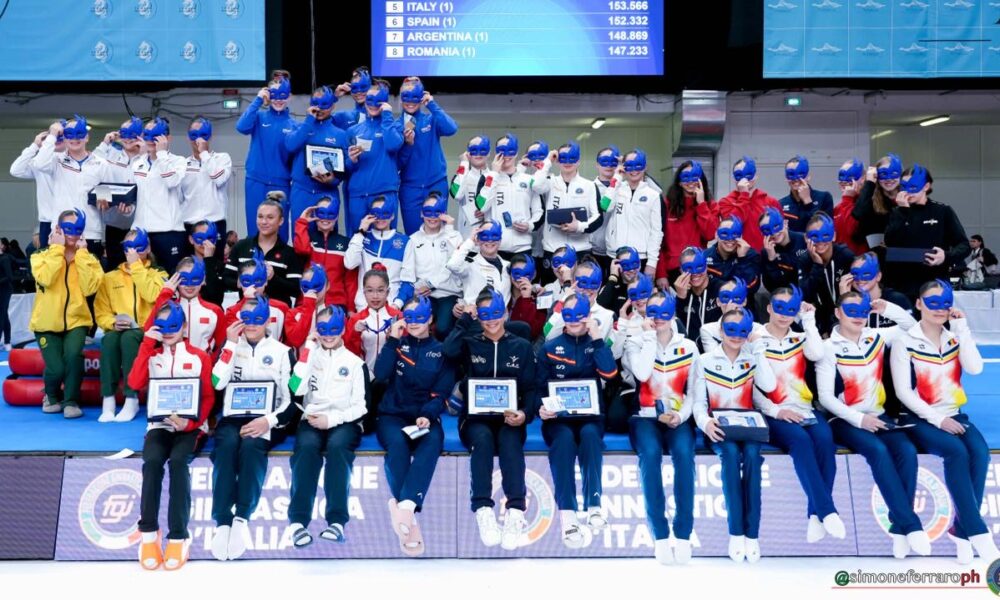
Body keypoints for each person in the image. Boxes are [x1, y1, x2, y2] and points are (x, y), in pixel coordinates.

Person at [890, 280, 1000, 563]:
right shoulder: (905, 342)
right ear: (918, 304)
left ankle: (961, 530)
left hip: (955, 413)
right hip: (917, 418)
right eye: (932, 302)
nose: (940, 309)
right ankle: (977, 532)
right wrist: (938, 420)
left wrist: (963, 330)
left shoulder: (954, 338)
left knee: (979, 451)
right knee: (956, 451)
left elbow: (975, 368)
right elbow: (903, 392)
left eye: (945, 303)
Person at [816, 290, 930, 559]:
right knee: (877, 451)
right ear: (838, 313)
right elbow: (825, 398)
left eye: (862, 311)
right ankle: (912, 525)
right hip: (843, 419)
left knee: (907, 451)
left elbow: (914, 328)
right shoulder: (827, 349)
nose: (858, 317)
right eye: (851, 311)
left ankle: (899, 528)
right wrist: (859, 419)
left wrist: (886, 308)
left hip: (879, 417)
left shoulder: (876, 338)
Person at [443, 288, 537, 551]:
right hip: (475, 418)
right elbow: (448, 351)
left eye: (496, 314)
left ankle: (516, 510)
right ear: (478, 317)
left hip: (510, 417)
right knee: (483, 440)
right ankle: (483, 508)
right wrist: (465, 320)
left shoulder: (522, 346)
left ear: (505, 313)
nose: (491, 321)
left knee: (510, 443)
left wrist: (525, 414)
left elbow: (531, 389)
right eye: (485, 316)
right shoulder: (470, 341)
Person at [752, 286, 845, 543]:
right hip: (770, 411)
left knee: (825, 441)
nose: (783, 315)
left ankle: (815, 514)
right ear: (769, 308)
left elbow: (816, 353)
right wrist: (776, 410)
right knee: (801, 442)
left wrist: (809, 321)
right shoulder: (754, 337)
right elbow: (752, 385)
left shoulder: (800, 338)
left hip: (805, 409)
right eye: (778, 308)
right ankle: (827, 510)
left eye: (790, 309)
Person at [127, 301, 215, 570]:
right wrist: (145, 345)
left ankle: (178, 536)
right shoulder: (151, 355)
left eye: (173, 329)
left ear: (184, 328)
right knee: (152, 462)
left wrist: (190, 424)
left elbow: (209, 397)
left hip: (190, 427)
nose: (167, 334)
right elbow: (133, 383)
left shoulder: (199, 356)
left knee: (178, 463)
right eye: (162, 329)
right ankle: (149, 535)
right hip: (158, 426)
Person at [209, 297, 293, 560]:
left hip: (269, 417)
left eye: (259, 320)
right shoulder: (231, 346)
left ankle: (242, 518)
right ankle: (223, 521)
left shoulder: (282, 351)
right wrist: (230, 345)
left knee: (252, 446)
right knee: (226, 447)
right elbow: (216, 383)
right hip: (233, 416)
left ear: (268, 321)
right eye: (247, 320)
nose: (252, 326)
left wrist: (268, 421)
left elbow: (292, 401)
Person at [374, 297, 455, 556]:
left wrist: (428, 415)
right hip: (392, 414)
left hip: (424, 416)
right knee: (396, 446)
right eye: (409, 320)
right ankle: (409, 515)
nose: (414, 325)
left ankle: (404, 508)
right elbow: (381, 374)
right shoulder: (398, 344)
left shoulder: (442, 351)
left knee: (432, 442)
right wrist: (392, 340)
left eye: (420, 319)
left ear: (430, 319)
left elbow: (441, 392)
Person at [536, 293, 619, 548]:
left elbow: (610, 373)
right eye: (568, 316)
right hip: (558, 419)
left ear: (588, 317)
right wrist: (542, 408)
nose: (573, 322)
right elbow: (538, 387)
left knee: (591, 437)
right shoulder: (550, 347)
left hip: (591, 416)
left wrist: (596, 338)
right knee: (563, 442)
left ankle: (594, 504)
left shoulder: (597, 343)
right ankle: (568, 516)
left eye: (579, 316)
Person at [693, 308, 776, 563]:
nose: (736, 336)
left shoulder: (752, 359)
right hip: (718, 428)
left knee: (752, 455)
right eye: (731, 330)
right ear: (720, 331)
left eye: (743, 331)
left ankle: (753, 535)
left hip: (748, 427)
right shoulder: (705, 360)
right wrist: (706, 423)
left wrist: (758, 351)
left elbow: (768, 387)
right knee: (729, 456)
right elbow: (698, 401)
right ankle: (736, 533)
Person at [621, 292, 698, 565]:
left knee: (685, 456)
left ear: (673, 313)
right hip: (644, 416)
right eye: (652, 314)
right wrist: (650, 338)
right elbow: (642, 374)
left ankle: (684, 533)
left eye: (664, 314)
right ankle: (661, 535)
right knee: (651, 456)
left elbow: (694, 392)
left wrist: (680, 415)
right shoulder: (634, 343)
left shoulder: (689, 347)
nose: (658, 319)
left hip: (677, 417)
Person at [287, 306, 370, 547]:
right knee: (306, 448)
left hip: (344, 420)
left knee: (337, 448)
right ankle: (298, 522)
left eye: (334, 329)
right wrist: (307, 351)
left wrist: (331, 420)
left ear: (343, 329)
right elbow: (296, 388)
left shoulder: (355, 363)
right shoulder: (309, 357)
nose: (328, 335)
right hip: (311, 418)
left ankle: (336, 522)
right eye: (323, 330)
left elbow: (361, 407)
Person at [30, 209, 103, 418]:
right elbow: (45, 278)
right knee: (57, 368)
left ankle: (71, 400)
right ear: (58, 229)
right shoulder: (40, 256)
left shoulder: (89, 258)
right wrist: (56, 249)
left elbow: (90, 288)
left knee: (73, 356)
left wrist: (81, 255)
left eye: (78, 230)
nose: (73, 234)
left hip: (77, 321)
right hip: (46, 323)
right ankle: (51, 395)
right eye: (68, 229)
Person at [94, 228, 167, 422]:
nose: (133, 252)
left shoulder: (158, 273)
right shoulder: (110, 278)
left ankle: (131, 397)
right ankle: (108, 399)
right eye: (129, 247)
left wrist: (137, 267)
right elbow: (101, 310)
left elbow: (153, 296)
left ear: (148, 247)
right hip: (121, 328)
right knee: (109, 340)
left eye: (139, 247)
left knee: (129, 339)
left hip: (147, 328)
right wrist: (111, 323)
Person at [883, 165, 971, 301]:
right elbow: (890, 241)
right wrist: (904, 212)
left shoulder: (942, 211)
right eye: (904, 187)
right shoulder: (897, 212)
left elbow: (964, 245)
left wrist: (946, 256)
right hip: (901, 285)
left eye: (913, 187)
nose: (908, 193)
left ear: (926, 186)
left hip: (934, 284)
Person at [31, 116, 114, 258]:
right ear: (63, 138)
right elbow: (38, 164)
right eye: (69, 135)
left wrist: (105, 203)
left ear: (87, 137)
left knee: (90, 277)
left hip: (90, 232)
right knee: (58, 276)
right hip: (60, 233)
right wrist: (52, 135)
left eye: (80, 134)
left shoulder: (101, 164)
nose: (75, 139)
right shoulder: (56, 160)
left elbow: (106, 199)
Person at [285, 86, 354, 234]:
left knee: (326, 239)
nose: (320, 109)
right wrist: (308, 121)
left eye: (325, 106)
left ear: (333, 106)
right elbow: (290, 146)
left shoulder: (341, 134)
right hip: (301, 191)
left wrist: (333, 180)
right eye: (316, 105)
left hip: (327, 192)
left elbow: (346, 168)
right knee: (301, 237)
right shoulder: (300, 127)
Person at [124, 118, 189, 274]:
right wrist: (128, 208)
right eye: (148, 135)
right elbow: (134, 195)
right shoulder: (137, 163)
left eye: (157, 136)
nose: (152, 140)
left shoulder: (178, 161)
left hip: (169, 232)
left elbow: (171, 181)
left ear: (168, 138)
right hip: (141, 231)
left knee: (169, 278)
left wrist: (161, 154)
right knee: (139, 277)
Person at [396, 76, 459, 234]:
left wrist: (431, 104)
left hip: (436, 184)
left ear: (422, 96)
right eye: (406, 97)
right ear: (400, 98)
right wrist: (407, 145)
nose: (411, 102)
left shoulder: (431, 119)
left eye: (415, 97)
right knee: (414, 235)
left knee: (438, 234)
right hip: (410, 188)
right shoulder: (396, 126)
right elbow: (396, 163)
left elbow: (451, 129)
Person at [236, 71, 295, 240]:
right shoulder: (259, 117)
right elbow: (241, 127)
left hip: (281, 184)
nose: (278, 100)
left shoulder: (294, 125)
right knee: (255, 231)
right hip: (256, 181)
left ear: (289, 96)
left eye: (283, 95)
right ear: (269, 94)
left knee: (280, 232)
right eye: (274, 95)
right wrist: (258, 100)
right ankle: (256, 266)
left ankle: (278, 265)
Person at [345, 80, 404, 234]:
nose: (373, 105)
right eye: (370, 100)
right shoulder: (353, 130)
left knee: (385, 239)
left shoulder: (394, 126)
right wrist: (352, 160)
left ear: (385, 103)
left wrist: (387, 115)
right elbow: (346, 167)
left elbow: (392, 145)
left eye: (379, 101)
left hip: (384, 193)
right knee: (357, 239)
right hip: (358, 194)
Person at [401, 193, 464, 338]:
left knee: (442, 328)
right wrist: (416, 290)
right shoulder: (413, 240)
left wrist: (449, 229)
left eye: (438, 212)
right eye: (428, 212)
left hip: (448, 293)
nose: (432, 217)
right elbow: (408, 272)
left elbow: (457, 263)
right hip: (423, 295)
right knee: (416, 324)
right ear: (422, 213)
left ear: (444, 214)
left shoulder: (454, 236)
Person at [535, 142, 603, 273]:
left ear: (578, 161)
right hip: (552, 250)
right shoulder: (549, 182)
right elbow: (536, 185)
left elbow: (598, 217)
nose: (567, 162)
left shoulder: (589, 185)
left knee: (581, 290)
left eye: (572, 158)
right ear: (558, 161)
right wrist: (548, 160)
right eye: (563, 158)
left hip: (580, 250)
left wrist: (579, 226)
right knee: (551, 289)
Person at [474, 133, 544, 260]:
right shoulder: (487, 178)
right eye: (502, 151)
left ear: (516, 153)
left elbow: (539, 212)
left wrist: (530, 225)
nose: (506, 156)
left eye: (510, 151)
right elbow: (481, 206)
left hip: (523, 247)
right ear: (496, 153)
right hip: (494, 247)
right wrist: (494, 173)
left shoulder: (529, 180)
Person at [224, 197, 303, 306]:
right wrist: (240, 282)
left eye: (270, 217)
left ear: (281, 221)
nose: (264, 222)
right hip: (247, 312)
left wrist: (273, 278)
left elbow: (297, 290)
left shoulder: (289, 253)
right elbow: (226, 279)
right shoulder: (241, 246)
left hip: (279, 315)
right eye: (260, 217)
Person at [656, 160, 718, 289]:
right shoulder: (667, 206)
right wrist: (661, 273)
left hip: (698, 269)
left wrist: (701, 204)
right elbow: (658, 241)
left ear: (701, 179)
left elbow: (710, 234)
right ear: (679, 181)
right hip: (673, 270)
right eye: (685, 178)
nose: (690, 182)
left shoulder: (709, 205)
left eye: (695, 177)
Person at [344, 196, 413, 311]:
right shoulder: (361, 238)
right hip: (363, 307)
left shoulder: (405, 242)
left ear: (392, 215)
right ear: (370, 215)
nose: (380, 218)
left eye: (385, 213)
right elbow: (349, 263)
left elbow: (408, 280)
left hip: (391, 307)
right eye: (376, 213)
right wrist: (361, 231)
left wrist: (396, 305)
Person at [145, 257, 226, 354]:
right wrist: (165, 294)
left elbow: (223, 344)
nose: (189, 285)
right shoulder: (166, 308)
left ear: (203, 280)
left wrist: (210, 363)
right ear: (176, 279)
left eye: (195, 278)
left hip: (203, 366)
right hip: (170, 365)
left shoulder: (215, 311)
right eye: (184, 279)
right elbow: (148, 331)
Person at [94, 117, 145, 268]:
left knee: (138, 269)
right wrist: (105, 143)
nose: (128, 138)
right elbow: (95, 173)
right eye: (124, 133)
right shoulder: (110, 154)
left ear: (140, 134)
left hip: (139, 225)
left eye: (132, 134)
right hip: (113, 224)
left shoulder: (148, 158)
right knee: (115, 270)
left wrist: (143, 156)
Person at [603, 149, 662, 278]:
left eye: (638, 165)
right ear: (624, 167)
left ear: (645, 167)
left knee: (639, 297)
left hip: (640, 258)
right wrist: (617, 176)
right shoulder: (617, 189)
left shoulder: (653, 195)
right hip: (615, 256)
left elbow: (656, 231)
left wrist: (652, 263)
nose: (634, 170)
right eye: (629, 166)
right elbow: (604, 206)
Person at [293, 196, 355, 311]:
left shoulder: (346, 243)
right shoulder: (307, 237)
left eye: (331, 214)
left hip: (336, 304)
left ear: (336, 216)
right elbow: (301, 249)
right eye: (322, 213)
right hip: (307, 301)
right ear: (315, 213)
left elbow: (350, 280)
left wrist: (351, 308)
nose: (326, 218)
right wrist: (302, 222)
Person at [799, 212, 855, 334]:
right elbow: (805, 294)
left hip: (844, 315)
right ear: (806, 238)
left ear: (834, 236)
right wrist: (817, 265)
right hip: (817, 317)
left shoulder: (846, 256)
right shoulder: (804, 260)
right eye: (814, 236)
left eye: (825, 235)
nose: (820, 241)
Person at [10, 129, 65, 248]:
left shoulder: (73, 160)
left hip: (70, 219)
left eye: (62, 136)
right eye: (56, 136)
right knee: (49, 262)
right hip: (47, 220)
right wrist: (34, 146)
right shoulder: (39, 162)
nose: (58, 139)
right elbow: (15, 170)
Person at [181, 117, 231, 243]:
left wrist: (204, 154)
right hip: (189, 224)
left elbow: (218, 179)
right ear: (188, 137)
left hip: (215, 222)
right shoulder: (182, 164)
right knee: (189, 263)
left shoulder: (222, 158)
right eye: (194, 135)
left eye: (203, 135)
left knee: (215, 262)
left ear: (210, 136)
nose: (198, 139)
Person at [718, 156, 782, 252]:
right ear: (734, 178)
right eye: (739, 175)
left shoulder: (771, 202)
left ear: (755, 176)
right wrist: (744, 194)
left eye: (748, 174)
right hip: (739, 257)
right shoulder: (725, 202)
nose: (744, 179)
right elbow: (735, 225)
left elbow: (781, 232)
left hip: (765, 257)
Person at [446, 220, 511, 314]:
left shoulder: (508, 266)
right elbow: (452, 265)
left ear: (500, 240)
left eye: (494, 236)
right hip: (475, 319)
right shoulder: (470, 263)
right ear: (478, 240)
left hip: (500, 322)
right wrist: (470, 241)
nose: (490, 240)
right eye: (485, 236)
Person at [543, 260, 615, 342]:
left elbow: (613, 351)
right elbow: (548, 335)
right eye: (583, 282)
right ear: (573, 282)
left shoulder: (608, 316)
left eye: (593, 284)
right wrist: (566, 302)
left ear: (599, 285)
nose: (588, 289)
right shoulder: (559, 305)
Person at [224, 257, 291, 341]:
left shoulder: (281, 308)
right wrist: (246, 300)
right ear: (239, 283)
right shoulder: (232, 311)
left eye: (258, 280)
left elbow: (290, 340)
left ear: (266, 281)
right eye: (247, 281)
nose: (254, 285)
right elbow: (235, 339)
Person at [699, 277, 765, 352]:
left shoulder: (758, 329)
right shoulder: (708, 330)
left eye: (736, 298)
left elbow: (759, 359)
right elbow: (713, 360)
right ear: (718, 302)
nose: (731, 303)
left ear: (744, 301)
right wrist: (728, 321)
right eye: (726, 297)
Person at [851, 153, 901, 250]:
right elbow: (858, 213)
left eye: (893, 174)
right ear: (877, 177)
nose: (889, 178)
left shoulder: (910, 199)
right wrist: (869, 182)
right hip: (877, 257)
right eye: (883, 174)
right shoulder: (871, 201)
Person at [673, 247, 720, 347]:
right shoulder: (680, 292)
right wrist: (680, 298)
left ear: (706, 267)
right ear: (681, 270)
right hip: (689, 352)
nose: (695, 273)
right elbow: (677, 330)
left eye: (699, 267)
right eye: (688, 268)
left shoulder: (720, 289)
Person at [449, 135, 492, 239]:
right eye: (474, 150)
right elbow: (457, 195)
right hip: (467, 237)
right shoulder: (461, 176)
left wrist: (487, 213)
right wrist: (464, 163)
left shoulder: (495, 177)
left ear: (489, 153)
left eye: (482, 150)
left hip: (491, 238)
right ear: (468, 153)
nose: (478, 154)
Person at [705, 215, 761, 295]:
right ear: (716, 235)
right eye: (724, 233)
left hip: (741, 303)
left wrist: (742, 259)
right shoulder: (705, 256)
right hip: (713, 304)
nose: (730, 239)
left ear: (741, 236)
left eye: (735, 234)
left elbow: (752, 288)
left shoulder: (751, 255)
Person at [778, 155, 834, 233]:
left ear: (808, 176)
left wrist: (807, 201)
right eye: (791, 174)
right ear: (786, 178)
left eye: (801, 174)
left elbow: (823, 230)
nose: (796, 179)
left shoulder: (824, 198)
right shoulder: (781, 204)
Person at [759, 206, 806, 291]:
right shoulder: (766, 252)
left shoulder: (804, 240)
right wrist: (772, 260)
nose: (774, 233)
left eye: (776, 226)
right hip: (785, 296)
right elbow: (772, 287)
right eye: (767, 230)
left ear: (785, 223)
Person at [591, 145, 622, 272]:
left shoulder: (626, 189)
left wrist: (627, 165)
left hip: (618, 251)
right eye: (604, 161)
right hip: (594, 250)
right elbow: (605, 207)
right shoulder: (589, 188)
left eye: (613, 162)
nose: (609, 165)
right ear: (597, 165)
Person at [832, 158, 869, 255]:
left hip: (860, 262)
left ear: (863, 179)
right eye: (842, 182)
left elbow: (851, 231)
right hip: (840, 264)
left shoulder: (867, 205)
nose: (845, 183)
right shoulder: (837, 209)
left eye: (850, 180)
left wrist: (848, 198)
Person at [187, 221, 226, 306]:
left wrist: (209, 260)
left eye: (209, 238)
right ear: (191, 239)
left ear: (215, 240)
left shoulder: (221, 267)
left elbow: (215, 298)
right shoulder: (183, 266)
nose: (205, 242)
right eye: (200, 238)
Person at [596, 246, 644, 315]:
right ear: (617, 266)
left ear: (639, 264)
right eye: (625, 265)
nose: (631, 270)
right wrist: (613, 277)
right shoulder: (611, 286)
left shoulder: (647, 286)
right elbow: (599, 307)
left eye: (634, 264)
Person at [331, 66, 373, 131]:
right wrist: (333, 98)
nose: (359, 91)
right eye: (354, 78)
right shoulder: (342, 116)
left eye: (363, 86)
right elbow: (316, 127)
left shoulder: (384, 117)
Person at [0, 242, 14, 350]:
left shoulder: (5, 258)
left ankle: (7, 341)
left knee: (2, 314)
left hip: (5, 290)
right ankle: (7, 341)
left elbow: (9, 276)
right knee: (4, 315)